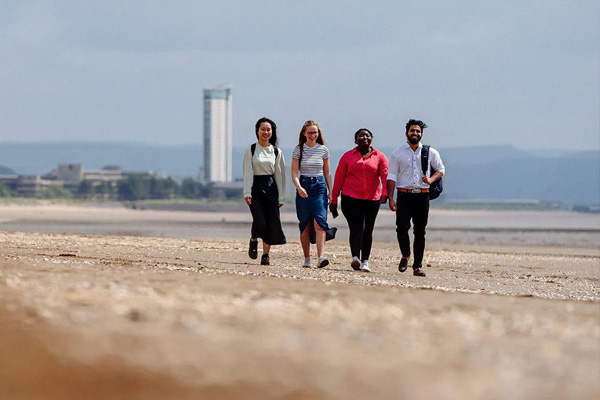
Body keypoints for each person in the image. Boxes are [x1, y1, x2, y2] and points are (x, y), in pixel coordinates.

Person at [387, 119, 445, 277]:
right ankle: (405, 255)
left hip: (422, 196)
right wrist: (391, 198)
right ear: (406, 133)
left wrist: (431, 180)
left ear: (421, 134)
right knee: (401, 228)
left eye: (418, 131)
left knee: (420, 231)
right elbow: (391, 175)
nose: (415, 134)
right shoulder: (397, 153)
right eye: (412, 131)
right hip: (404, 195)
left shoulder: (429, 152)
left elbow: (440, 169)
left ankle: (417, 266)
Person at [330, 128, 389, 272]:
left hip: (372, 199)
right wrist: (334, 199)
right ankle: (355, 257)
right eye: (361, 135)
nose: (364, 137)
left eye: (367, 135)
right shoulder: (348, 156)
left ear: (371, 138)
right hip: (351, 198)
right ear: (356, 140)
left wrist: (385, 193)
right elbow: (338, 178)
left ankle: (365, 261)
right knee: (356, 228)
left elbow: (385, 176)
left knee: (367, 230)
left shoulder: (380, 156)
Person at [291, 120, 337, 268]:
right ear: (304, 133)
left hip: (319, 186)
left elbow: (327, 172)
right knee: (305, 224)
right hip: (304, 184)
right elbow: (294, 173)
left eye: (315, 132)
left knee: (319, 221)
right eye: (310, 132)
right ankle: (306, 258)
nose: (312, 135)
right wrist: (299, 187)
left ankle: (321, 257)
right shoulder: (299, 149)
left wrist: (331, 191)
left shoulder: (323, 149)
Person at [243, 117, 286, 266]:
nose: (265, 132)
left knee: (271, 222)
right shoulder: (251, 149)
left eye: (268, 130)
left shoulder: (276, 151)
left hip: (271, 187)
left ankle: (266, 254)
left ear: (272, 132)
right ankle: (254, 239)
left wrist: (281, 197)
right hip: (256, 188)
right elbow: (247, 172)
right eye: (263, 129)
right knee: (259, 220)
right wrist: (247, 192)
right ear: (257, 131)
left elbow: (280, 175)